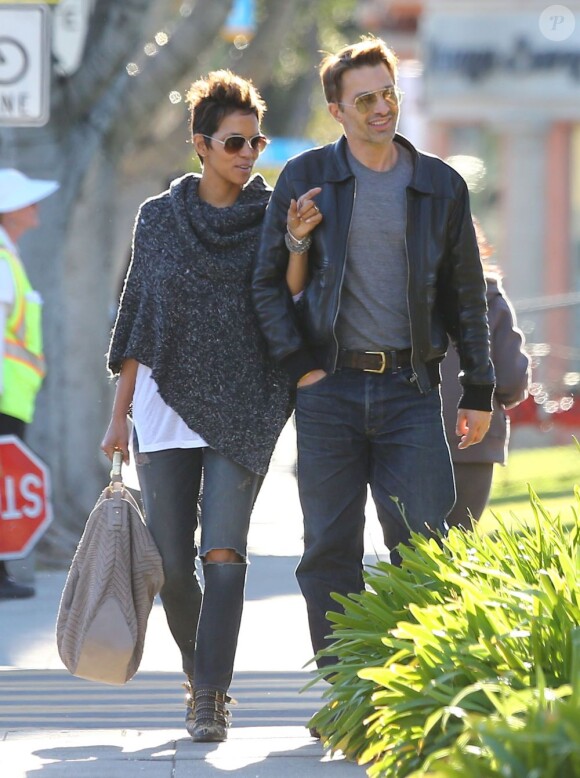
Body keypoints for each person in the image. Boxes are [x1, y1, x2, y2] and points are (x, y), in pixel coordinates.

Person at [252, 36, 495, 667]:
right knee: (329, 549)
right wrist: (298, 369)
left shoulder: (440, 186)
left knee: (426, 544)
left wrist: (478, 389)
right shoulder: (306, 177)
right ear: (336, 108)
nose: (381, 108)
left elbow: (466, 294)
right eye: (364, 99)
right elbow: (268, 281)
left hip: (411, 390)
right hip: (328, 389)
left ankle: (418, 688)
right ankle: (346, 691)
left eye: (388, 94)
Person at [101, 70, 320, 742]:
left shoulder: (268, 214)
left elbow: (286, 297)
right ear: (201, 143)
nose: (248, 154)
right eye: (234, 142)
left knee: (224, 552)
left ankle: (211, 698)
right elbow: (137, 314)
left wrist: (298, 243)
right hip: (164, 408)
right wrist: (119, 413)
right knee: (171, 562)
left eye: (256, 142)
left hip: (247, 401)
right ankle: (199, 672)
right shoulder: (157, 218)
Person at [441, 218, 530, 528]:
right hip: (474, 441)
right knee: (457, 544)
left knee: (411, 547)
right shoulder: (490, 298)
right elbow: (510, 379)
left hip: (407, 434)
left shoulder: (404, 298)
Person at [0, 168, 59, 600]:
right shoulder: (3, 263)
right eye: (27, 200)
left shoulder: (9, 258)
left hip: (13, 397)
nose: (35, 207)